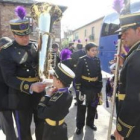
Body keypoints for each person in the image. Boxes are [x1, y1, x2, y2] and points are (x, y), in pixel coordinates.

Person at [0, 6, 47, 140]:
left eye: (27, 34)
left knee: (42, 124)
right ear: (14, 35)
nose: (25, 38)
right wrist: (30, 86)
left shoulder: (34, 46)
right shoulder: (6, 51)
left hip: (39, 94)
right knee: (24, 130)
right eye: (21, 36)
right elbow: (9, 79)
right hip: (20, 96)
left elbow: (40, 66)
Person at [113, 10, 140, 140]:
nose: (122, 37)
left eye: (126, 33)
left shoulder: (137, 56)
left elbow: (135, 97)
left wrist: (122, 129)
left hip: (134, 125)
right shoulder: (135, 53)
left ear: (139, 30)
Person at [38, 63, 75, 140]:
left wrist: (47, 95)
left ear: (58, 82)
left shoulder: (57, 99)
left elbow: (41, 113)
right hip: (61, 127)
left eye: (53, 77)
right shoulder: (68, 93)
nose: (52, 78)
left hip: (52, 132)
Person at [75, 42, 102, 135]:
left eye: (96, 50)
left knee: (93, 107)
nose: (95, 52)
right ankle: (79, 127)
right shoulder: (82, 60)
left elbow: (99, 74)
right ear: (87, 51)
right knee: (82, 108)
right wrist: (78, 88)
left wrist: (100, 86)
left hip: (94, 88)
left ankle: (90, 123)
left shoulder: (97, 60)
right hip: (84, 88)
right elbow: (77, 75)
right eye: (92, 50)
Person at [0, 37, 17, 140]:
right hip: (4, 96)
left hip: (13, 95)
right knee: (7, 124)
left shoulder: (11, 58)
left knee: (8, 124)